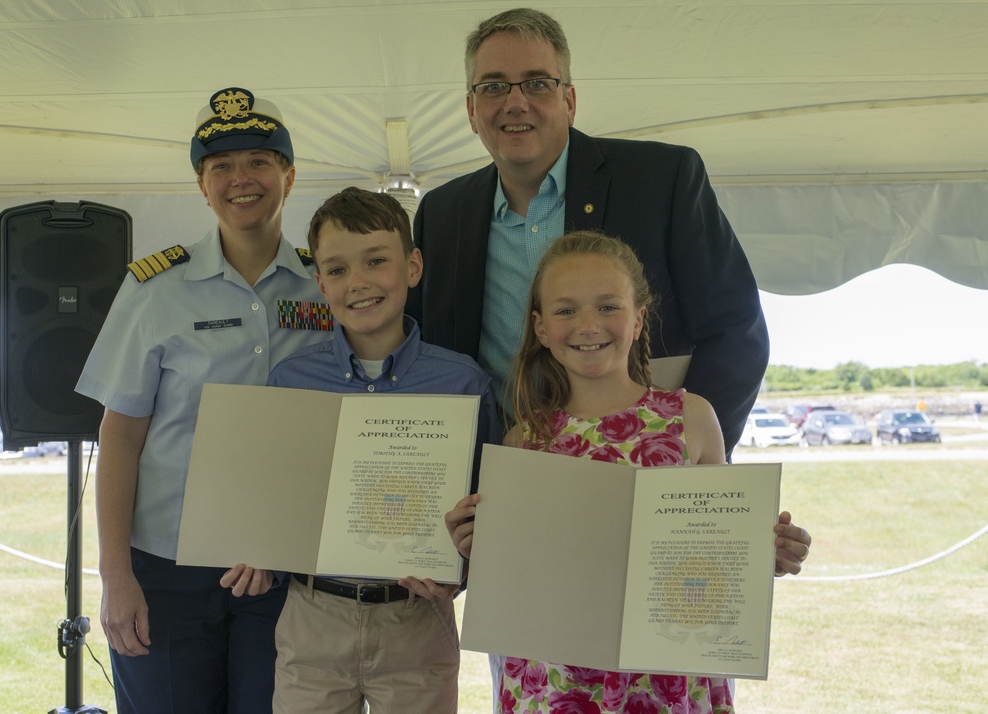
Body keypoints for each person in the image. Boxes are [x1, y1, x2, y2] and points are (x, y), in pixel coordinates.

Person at [446, 231, 811, 713]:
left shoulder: (692, 419)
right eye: (565, 310)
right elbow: (515, 578)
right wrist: (474, 547)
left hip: (660, 680)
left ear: (639, 318)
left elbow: (715, 551)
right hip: (551, 683)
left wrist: (765, 553)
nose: (587, 324)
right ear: (539, 327)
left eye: (608, 307)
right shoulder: (525, 440)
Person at [406, 7, 768, 457]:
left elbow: (736, 331)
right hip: (499, 475)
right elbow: (423, 351)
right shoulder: (441, 213)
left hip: (641, 471)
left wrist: (687, 453)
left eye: (538, 83)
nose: (515, 102)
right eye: (493, 86)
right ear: (471, 109)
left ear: (570, 101)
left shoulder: (661, 180)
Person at [75, 87, 334, 712]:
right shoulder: (153, 290)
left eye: (259, 161)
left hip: (282, 568)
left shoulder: (326, 285)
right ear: (201, 184)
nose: (240, 179)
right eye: (221, 166)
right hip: (165, 568)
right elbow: (120, 436)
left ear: (289, 175)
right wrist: (116, 576)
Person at [222, 187, 501, 713]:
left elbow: (491, 508)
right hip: (313, 616)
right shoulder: (291, 381)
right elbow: (271, 495)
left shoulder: (463, 382)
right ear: (320, 282)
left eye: (377, 261)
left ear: (413, 266)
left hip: (417, 616)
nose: (360, 283)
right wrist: (257, 552)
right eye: (338, 269)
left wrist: (461, 564)